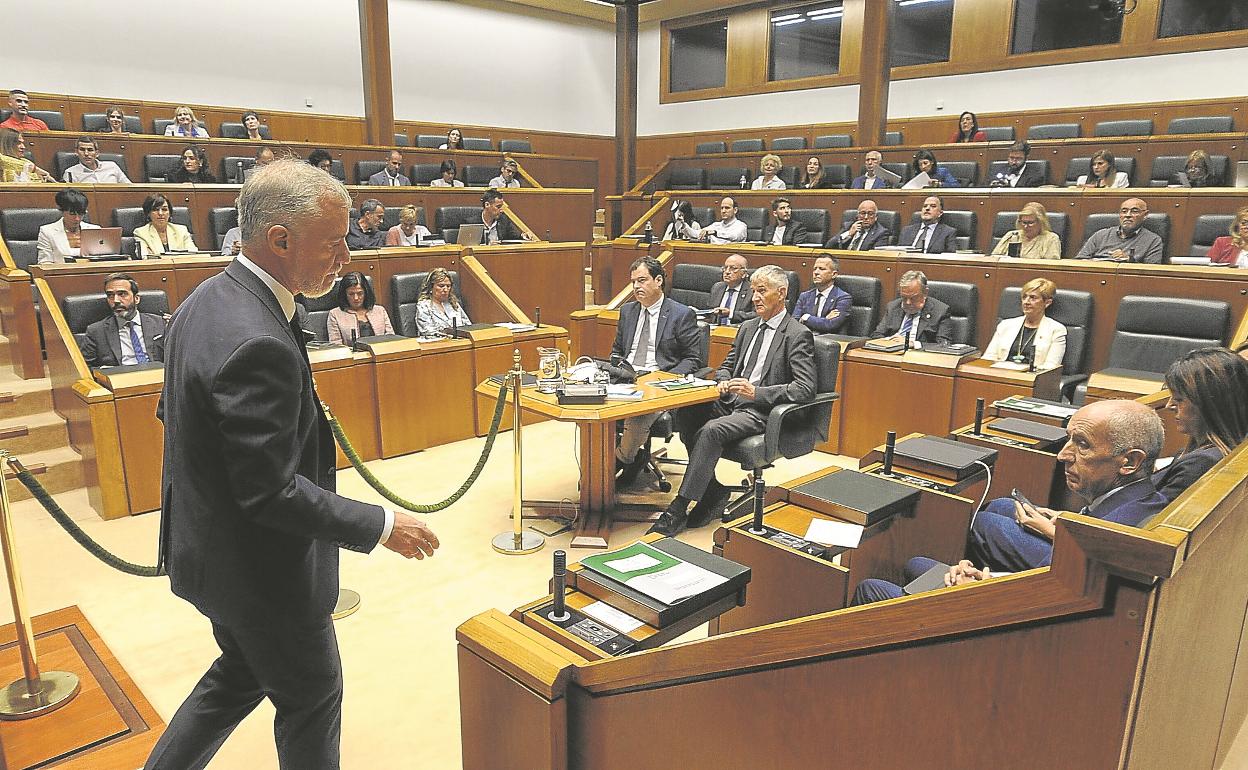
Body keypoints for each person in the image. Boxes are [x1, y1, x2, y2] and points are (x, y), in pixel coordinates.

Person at [145, 157, 438, 770]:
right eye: (333, 243)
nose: (348, 258)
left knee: (241, 674)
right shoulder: (255, 338)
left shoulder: (207, 298)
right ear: (279, 239)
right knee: (311, 697)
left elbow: (178, 419)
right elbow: (271, 494)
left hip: (206, 553)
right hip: (261, 576)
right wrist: (382, 525)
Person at [852, 399, 1169, 604]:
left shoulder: (1111, 539)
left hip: (1012, 634)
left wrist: (976, 586)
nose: (1063, 455)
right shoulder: (1139, 502)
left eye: (1082, 445)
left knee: (871, 588)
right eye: (1069, 439)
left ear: (1129, 462)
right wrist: (982, 575)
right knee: (915, 564)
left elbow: (1041, 600)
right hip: (1025, 593)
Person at [649, 265, 817, 536]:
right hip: (731, 400)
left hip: (760, 409)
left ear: (782, 293)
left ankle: (679, 508)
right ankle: (713, 491)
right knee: (686, 413)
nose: (755, 298)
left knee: (711, 430)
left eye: (762, 291)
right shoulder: (748, 327)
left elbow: (805, 388)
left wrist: (757, 393)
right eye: (753, 291)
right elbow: (727, 365)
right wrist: (724, 380)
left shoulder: (797, 334)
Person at [612, 257, 703, 485]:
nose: (636, 287)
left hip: (657, 383)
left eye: (642, 280)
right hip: (625, 377)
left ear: (659, 280)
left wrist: (662, 379)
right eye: (633, 282)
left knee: (639, 413)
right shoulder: (627, 311)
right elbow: (617, 351)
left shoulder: (681, 314)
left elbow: (693, 360)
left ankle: (619, 461)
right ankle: (620, 457)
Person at [1152, 348, 1248, 501]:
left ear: (1210, 405)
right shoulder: (1206, 451)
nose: (1168, 406)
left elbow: (1144, 518)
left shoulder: (1201, 465)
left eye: (1179, 399)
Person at [79, 272, 167, 368]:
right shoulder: (96, 331)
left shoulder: (160, 323)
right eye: (110, 295)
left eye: (122, 294)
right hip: (121, 379)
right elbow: (85, 368)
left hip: (158, 377)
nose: (116, 300)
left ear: (136, 298)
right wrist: (104, 372)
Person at [981, 278, 1068, 370]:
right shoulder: (1006, 325)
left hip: (1031, 379)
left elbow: (1051, 367)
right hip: (1001, 375)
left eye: (1033, 298)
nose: (1026, 302)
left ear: (1047, 303)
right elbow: (988, 358)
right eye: (1024, 297)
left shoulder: (1056, 330)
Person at [870, 269, 952, 345]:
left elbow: (944, 344)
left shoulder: (941, 311)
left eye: (913, 298)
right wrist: (889, 341)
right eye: (904, 297)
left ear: (925, 293)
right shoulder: (893, 307)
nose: (908, 302)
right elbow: (876, 335)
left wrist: (913, 344)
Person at [1075, 198, 1163, 263]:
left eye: (1134, 211)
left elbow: (1151, 272)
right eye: (1124, 211)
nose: (1128, 215)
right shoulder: (1100, 235)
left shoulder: (1153, 240)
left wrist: (1129, 260)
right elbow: (1078, 261)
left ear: (1145, 215)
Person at [327, 271, 394, 344]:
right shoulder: (335, 314)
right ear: (344, 294)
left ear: (366, 292)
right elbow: (336, 345)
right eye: (351, 294)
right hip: (352, 354)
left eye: (360, 293)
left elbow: (391, 338)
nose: (356, 298)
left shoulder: (380, 311)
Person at [37, 189, 101, 264]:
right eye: (72, 214)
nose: (77, 218)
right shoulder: (47, 231)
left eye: (81, 214)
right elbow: (44, 263)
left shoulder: (95, 230)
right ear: (62, 211)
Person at [793, 256, 851, 335]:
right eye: (815, 269)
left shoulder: (843, 298)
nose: (816, 272)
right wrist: (824, 319)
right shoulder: (804, 296)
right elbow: (794, 323)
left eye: (822, 269)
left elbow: (831, 325)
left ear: (834, 274)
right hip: (805, 340)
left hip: (829, 342)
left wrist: (806, 317)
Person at [411, 267, 471, 336]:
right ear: (431, 287)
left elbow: (468, 325)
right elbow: (426, 331)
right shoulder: (424, 306)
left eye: (448, 286)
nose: (445, 290)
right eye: (441, 286)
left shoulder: (453, 303)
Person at [990, 202, 1062, 259]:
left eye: (1030, 223)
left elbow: (1051, 266)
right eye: (1023, 222)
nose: (1025, 226)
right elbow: (994, 258)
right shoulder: (1011, 235)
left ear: (1041, 222)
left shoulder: (1051, 239)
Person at [708, 253, 755, 326]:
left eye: (733, 268)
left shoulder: (752, 290)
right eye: (725, 268)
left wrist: (731, 314)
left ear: (744, 274)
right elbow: (710, 314)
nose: (727, 272)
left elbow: (756, 315)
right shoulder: (717, 287)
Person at [61, 136, 131, 183]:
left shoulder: (112, 166)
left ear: (97, 153)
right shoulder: (70, 173)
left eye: (90, 150)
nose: (86, 153)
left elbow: (129, 187)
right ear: (76, 152)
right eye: (82, 150)